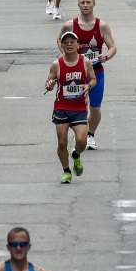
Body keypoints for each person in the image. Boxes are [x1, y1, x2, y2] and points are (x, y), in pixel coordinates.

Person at [59, 0, 117, 149]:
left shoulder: (101, 26)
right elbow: (60, 39)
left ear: (94, 4)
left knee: (95, 108)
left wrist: (106, 56)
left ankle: (90, 135)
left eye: (88, 2)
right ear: (78, 5)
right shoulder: (70, 25)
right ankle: (80, 133)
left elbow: (112, 47)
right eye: (82, 3)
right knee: (77, 106)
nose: (85, 5)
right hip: (76, 74)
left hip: (96, 72)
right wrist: (66, 53)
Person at [45, 31, 97, 183]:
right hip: (61, 107)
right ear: (61, 46)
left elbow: (93, 79)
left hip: (79, 108)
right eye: (65, 42)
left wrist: (89, 85)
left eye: (72, 41)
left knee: (82, 141)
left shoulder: (85, 62)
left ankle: (76, 155)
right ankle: (66, 171)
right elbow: (48, 83)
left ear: (78, 45)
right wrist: (50, 85)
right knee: (62, 142)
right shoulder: (56, 64)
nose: (69, 44)